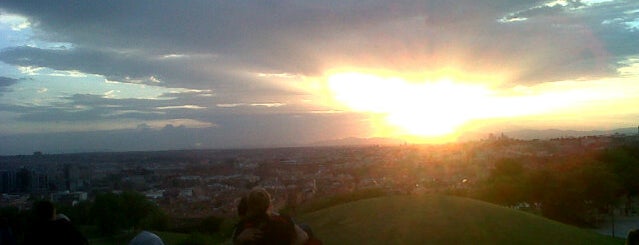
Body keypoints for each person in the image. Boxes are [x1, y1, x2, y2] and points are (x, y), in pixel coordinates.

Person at [233, 187, 309, 245]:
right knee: (305, 227)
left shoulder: (243, 228)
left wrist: (239, 239)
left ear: (249, 206)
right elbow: (303, 237)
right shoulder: (282, 220)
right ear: (269, 204)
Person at [23, 200, 89, 245]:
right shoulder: (63, 226)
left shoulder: (32, 231)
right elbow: (83, 242)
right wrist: (68, 222)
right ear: (53, 213)